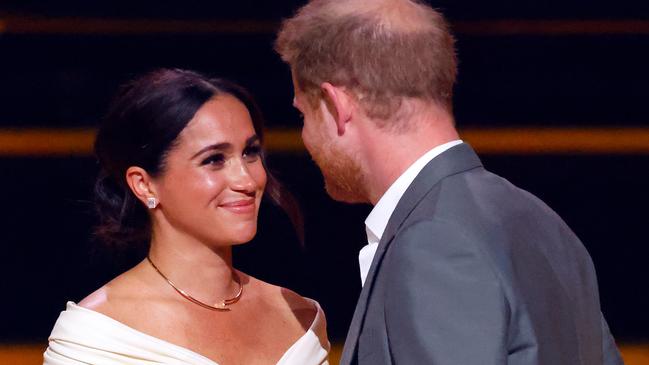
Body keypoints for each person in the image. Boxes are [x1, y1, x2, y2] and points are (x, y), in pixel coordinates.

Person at [275, 0, 623, 364]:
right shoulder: (541, 220)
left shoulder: (433, 241)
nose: (305, 134)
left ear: (336, 105)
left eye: (302, 113)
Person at [43, 68, 329, 365]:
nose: (246, 180)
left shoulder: (300, 317)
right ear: (144, 184)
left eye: (250, 152)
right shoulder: (94, 340)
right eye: (214, 159)